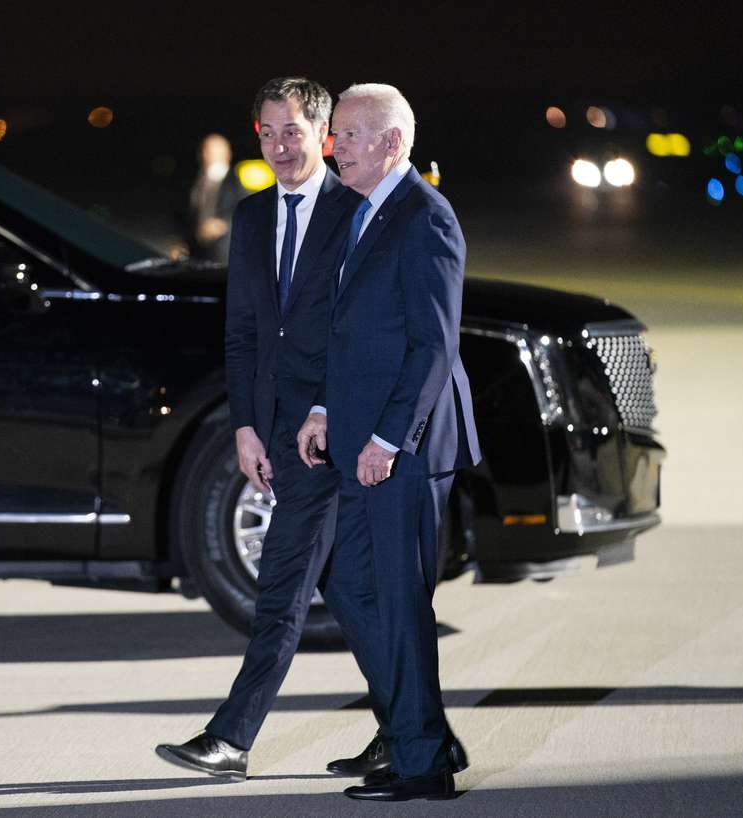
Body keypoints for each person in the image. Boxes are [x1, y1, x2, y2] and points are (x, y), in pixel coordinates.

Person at [154, 77, 366, 780]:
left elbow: (358, 333)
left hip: (331, 430)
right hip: (274, 427)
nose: (279, 146)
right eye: (268, 133)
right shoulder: (249, 218)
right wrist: (245, 426)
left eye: (293, 133)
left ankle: (231, 737)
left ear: (324, 137)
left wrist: (327, 409)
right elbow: (243, 334)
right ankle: (412, 728)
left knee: (280, 581)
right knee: (342, 589)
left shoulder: (357, 212)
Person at [296, 83, 482, 802]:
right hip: (356, 435)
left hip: (402, 444)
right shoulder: (359, 210)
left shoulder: (424, 218)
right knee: (344, 581)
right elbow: (345, 330)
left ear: (391, 143)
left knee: (401, 602)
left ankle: (422, 765)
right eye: (333, 132)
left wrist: (386, 439)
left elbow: (433, 347)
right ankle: (416, 728)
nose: (331, 144)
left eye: (344, 132)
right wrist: (320, 409)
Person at [186, 133, 246, 263]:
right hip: (197, 252)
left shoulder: (237, 181)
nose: (207, 154)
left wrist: (222, 223)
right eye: (205, 150)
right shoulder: (197, 180)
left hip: (224, 252)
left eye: (213, 151)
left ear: (227, 154)